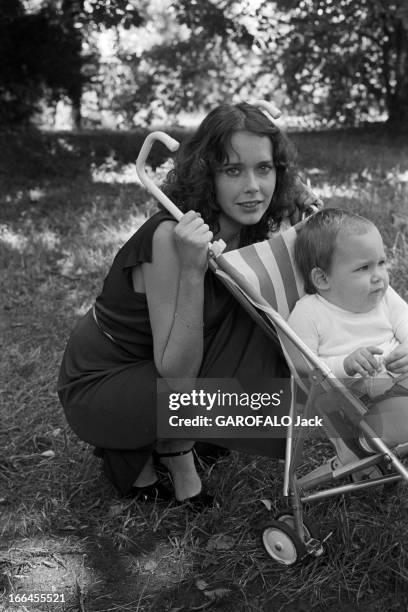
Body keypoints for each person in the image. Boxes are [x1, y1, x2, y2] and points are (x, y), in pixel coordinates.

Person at [58, 102, 321, 504]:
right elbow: (178, 378)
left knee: (266, 335)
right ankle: (153, 446)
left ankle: (173, 441)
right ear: (207, 173)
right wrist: (192, 272)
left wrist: (298, 210)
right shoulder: (171, 237)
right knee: (215, 390)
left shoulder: (249, 221)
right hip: (105, 378)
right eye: (233, 171)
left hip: (163, 364)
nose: (253, 186)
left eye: (264, 169)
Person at [288, 208, 408, 467]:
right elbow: (303, 369)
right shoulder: (310, 313)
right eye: (364, 268)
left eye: (382, 263)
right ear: (322, 278)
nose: (378, 276)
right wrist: (345, 364)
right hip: (363, 406)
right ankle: (363, 444)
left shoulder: (383, 297)